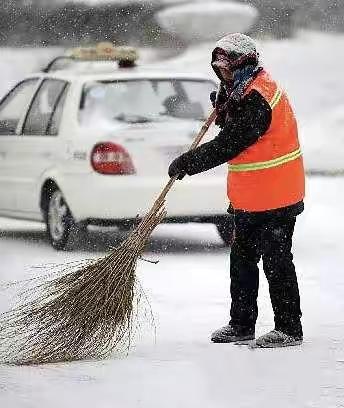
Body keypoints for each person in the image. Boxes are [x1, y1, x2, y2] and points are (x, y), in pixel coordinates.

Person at [168, 33, 305, 348]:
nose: (223, 74)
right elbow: (234, 131)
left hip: (278, 195)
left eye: (228, 68)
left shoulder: (259, 97)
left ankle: (288, 328)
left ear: (244, 64)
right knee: (242, 260)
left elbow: (230, 144)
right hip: (250, 196)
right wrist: (225, 106)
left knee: (276, 260)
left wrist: (188, 162)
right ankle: (241, 324)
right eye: (219, 69)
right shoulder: (239, 92)